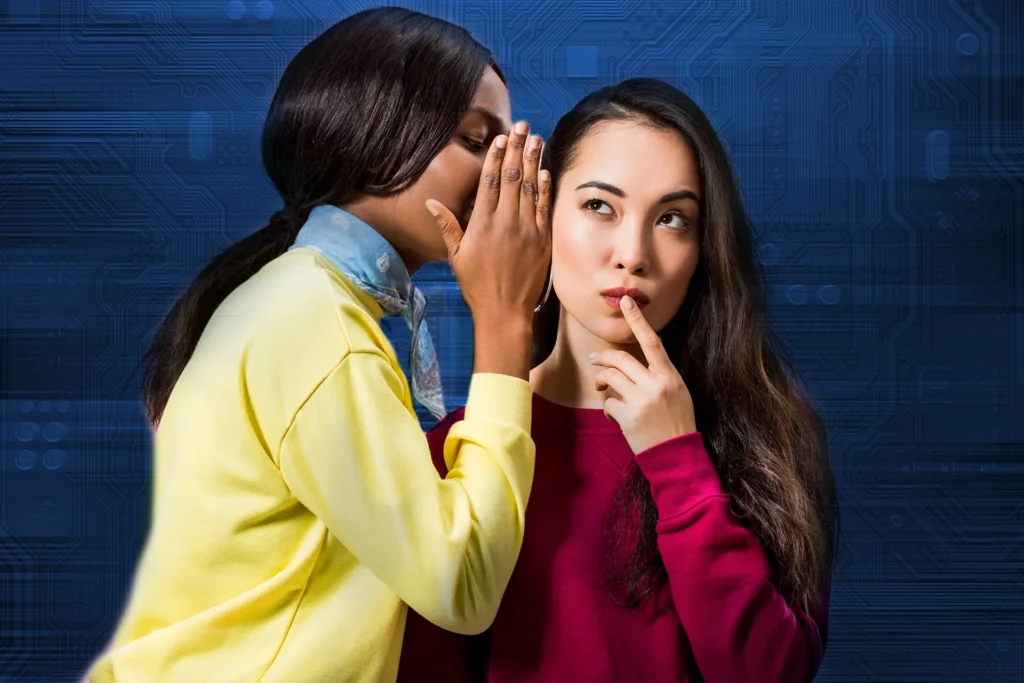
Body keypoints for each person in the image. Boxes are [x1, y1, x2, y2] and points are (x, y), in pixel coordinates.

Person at [87, 8, 552, 682]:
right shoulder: (318, 322)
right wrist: (505, 321)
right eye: (478, 141)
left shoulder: (314, 302)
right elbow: (463, 581)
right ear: (379, 146)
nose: (506, 177)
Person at [399, 78, 839, 683]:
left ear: (703, 250)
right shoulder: (459, 451)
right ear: (543, 216)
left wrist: (677, 461)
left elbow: (770, 673)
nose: (633, 253)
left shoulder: (766, 433)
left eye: (673, 219)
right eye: (600, 206)